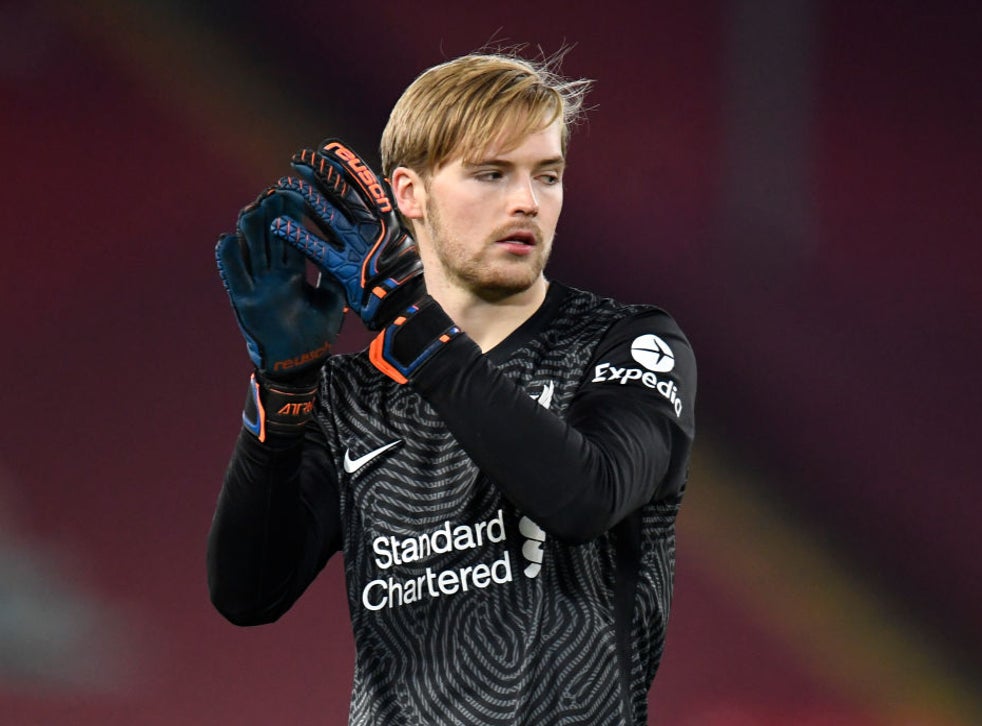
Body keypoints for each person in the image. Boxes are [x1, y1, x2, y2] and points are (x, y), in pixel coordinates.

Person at [208, 50, 696, 725]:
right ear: (410, 193)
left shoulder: (625, 342)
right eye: (492, 174)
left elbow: (585, 499)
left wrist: (408, 319)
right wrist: (283, 389)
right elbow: (248, 593)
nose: (527, 201)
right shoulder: (350, 395)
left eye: (547, 175)